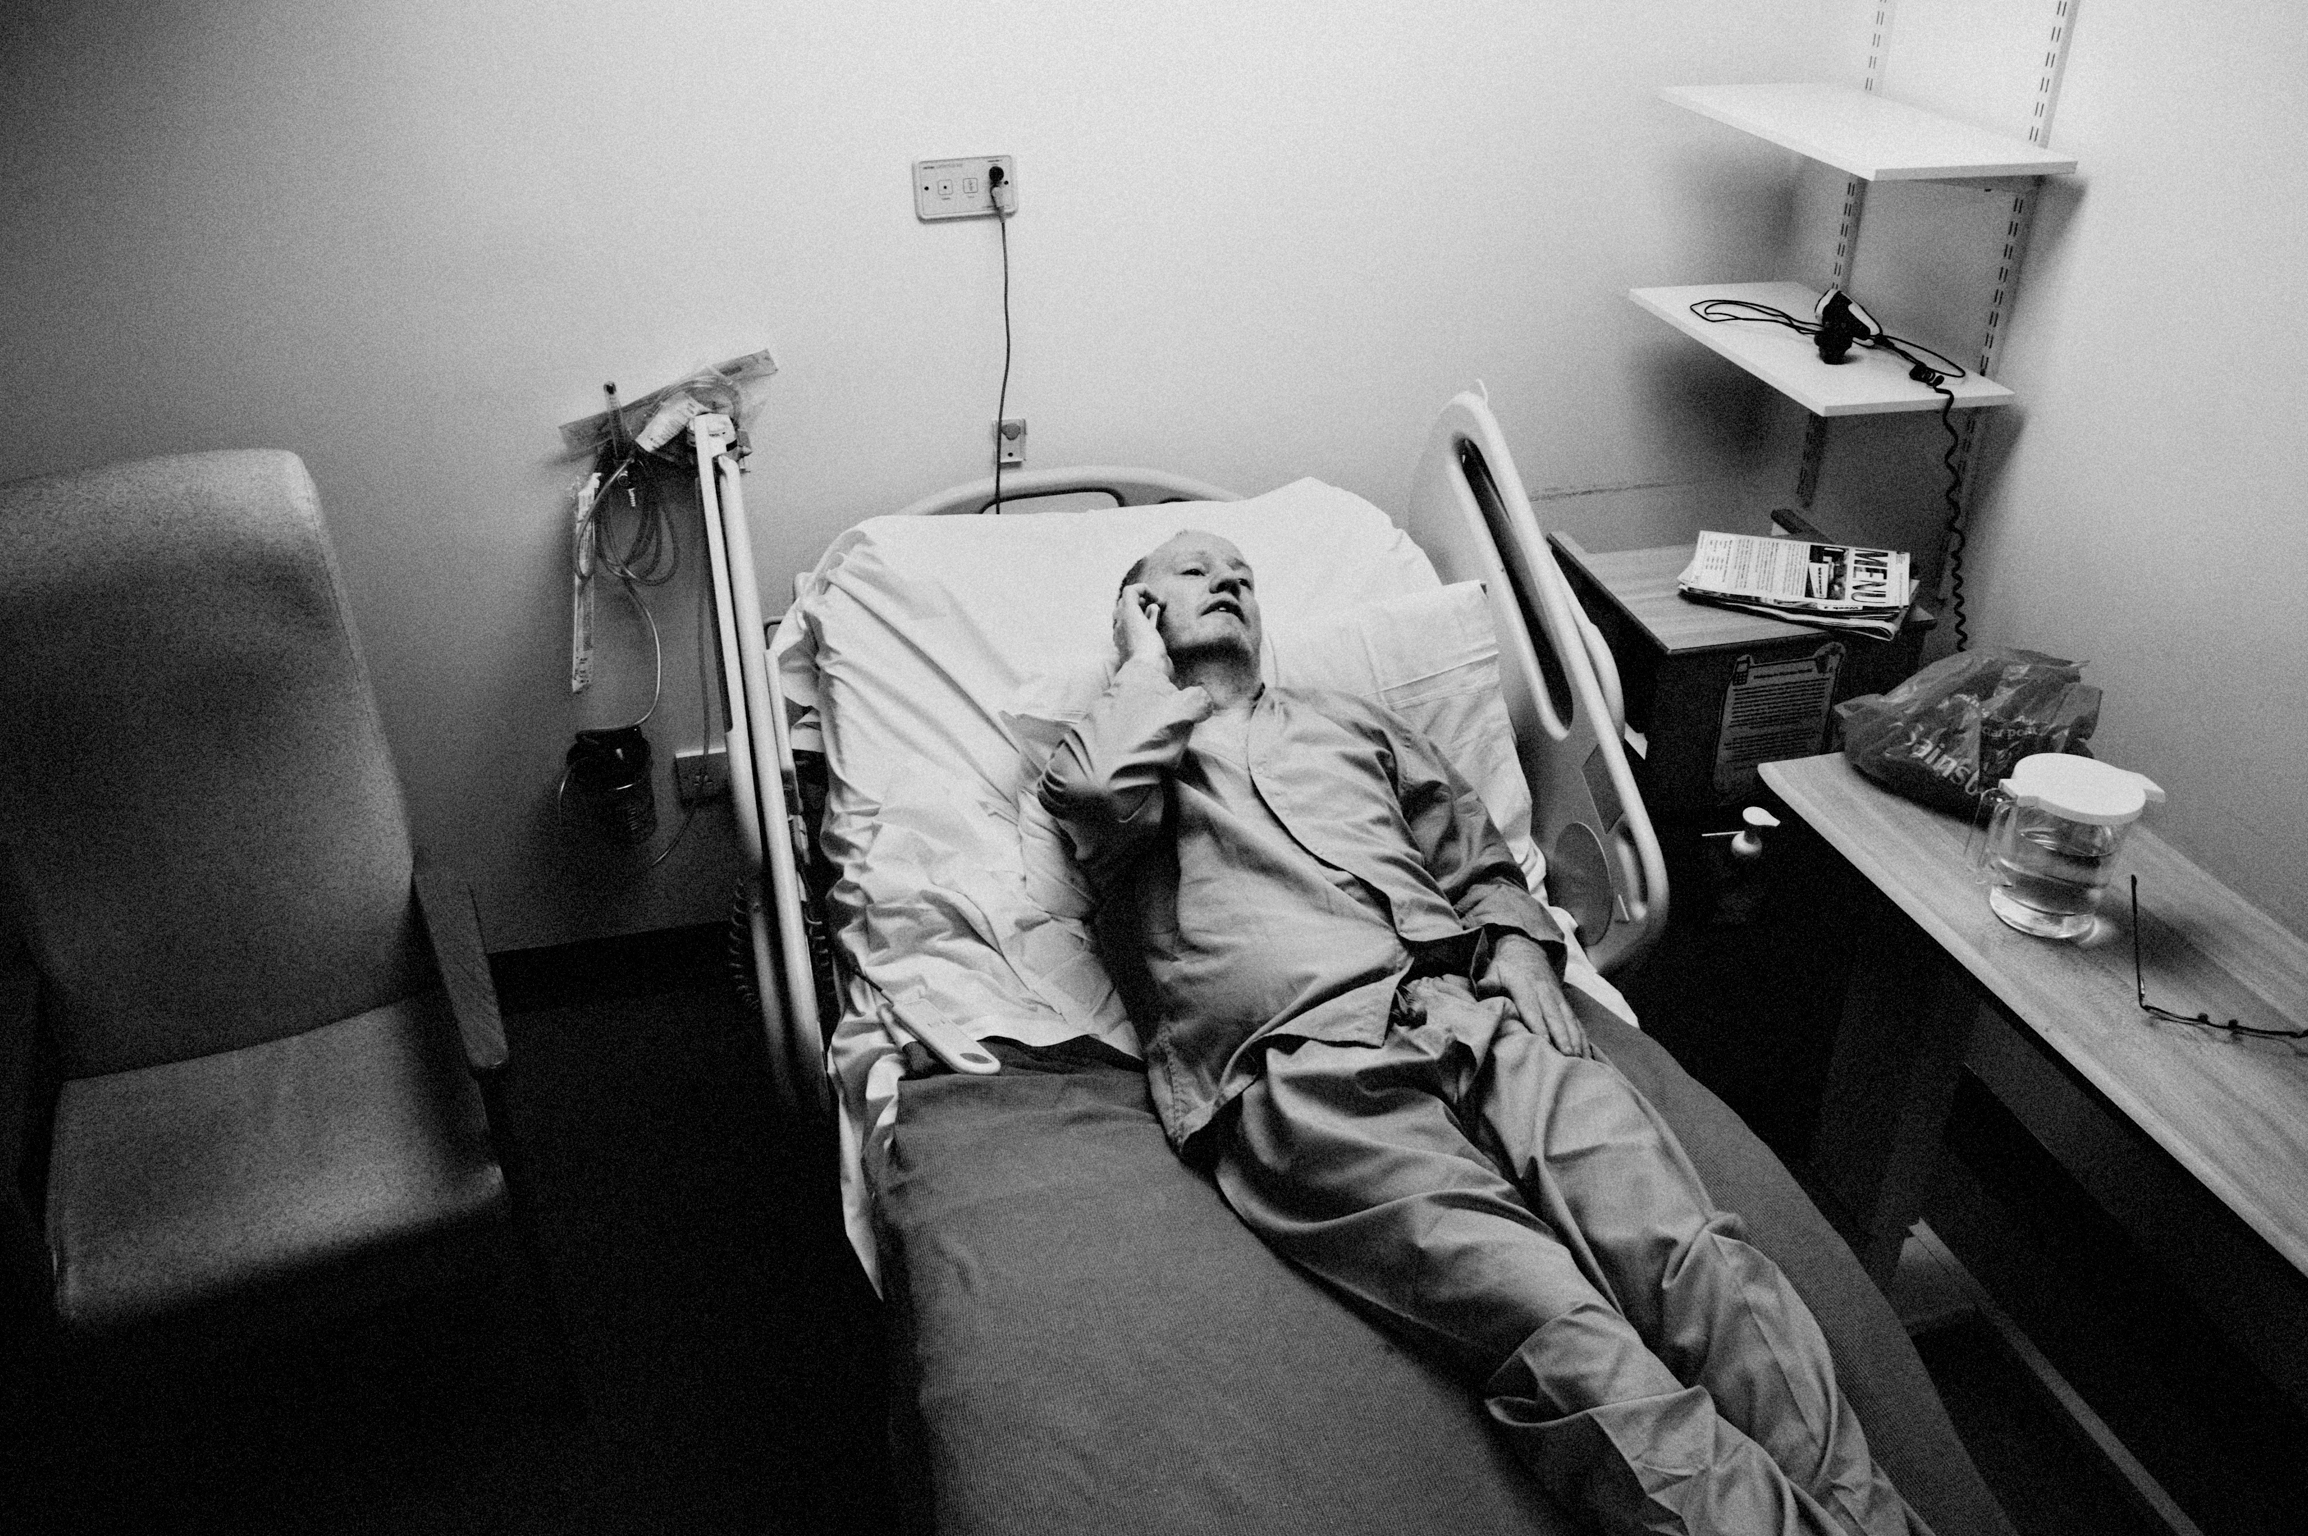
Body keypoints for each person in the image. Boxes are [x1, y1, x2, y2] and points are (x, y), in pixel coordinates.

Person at [1037, 530, 1930, 1536]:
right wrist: (1141, 673)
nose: (1230, 581)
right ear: (1139, 611)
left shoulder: (1352, 725)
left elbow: (1472, 848)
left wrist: (1511, 938)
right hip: (1307, 1074)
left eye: (1242, 571)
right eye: (1193, 572)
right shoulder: (1122, 752)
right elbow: (1093, 796)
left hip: (1474, 1010)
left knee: (1691, 1257)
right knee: (1556, 1326)